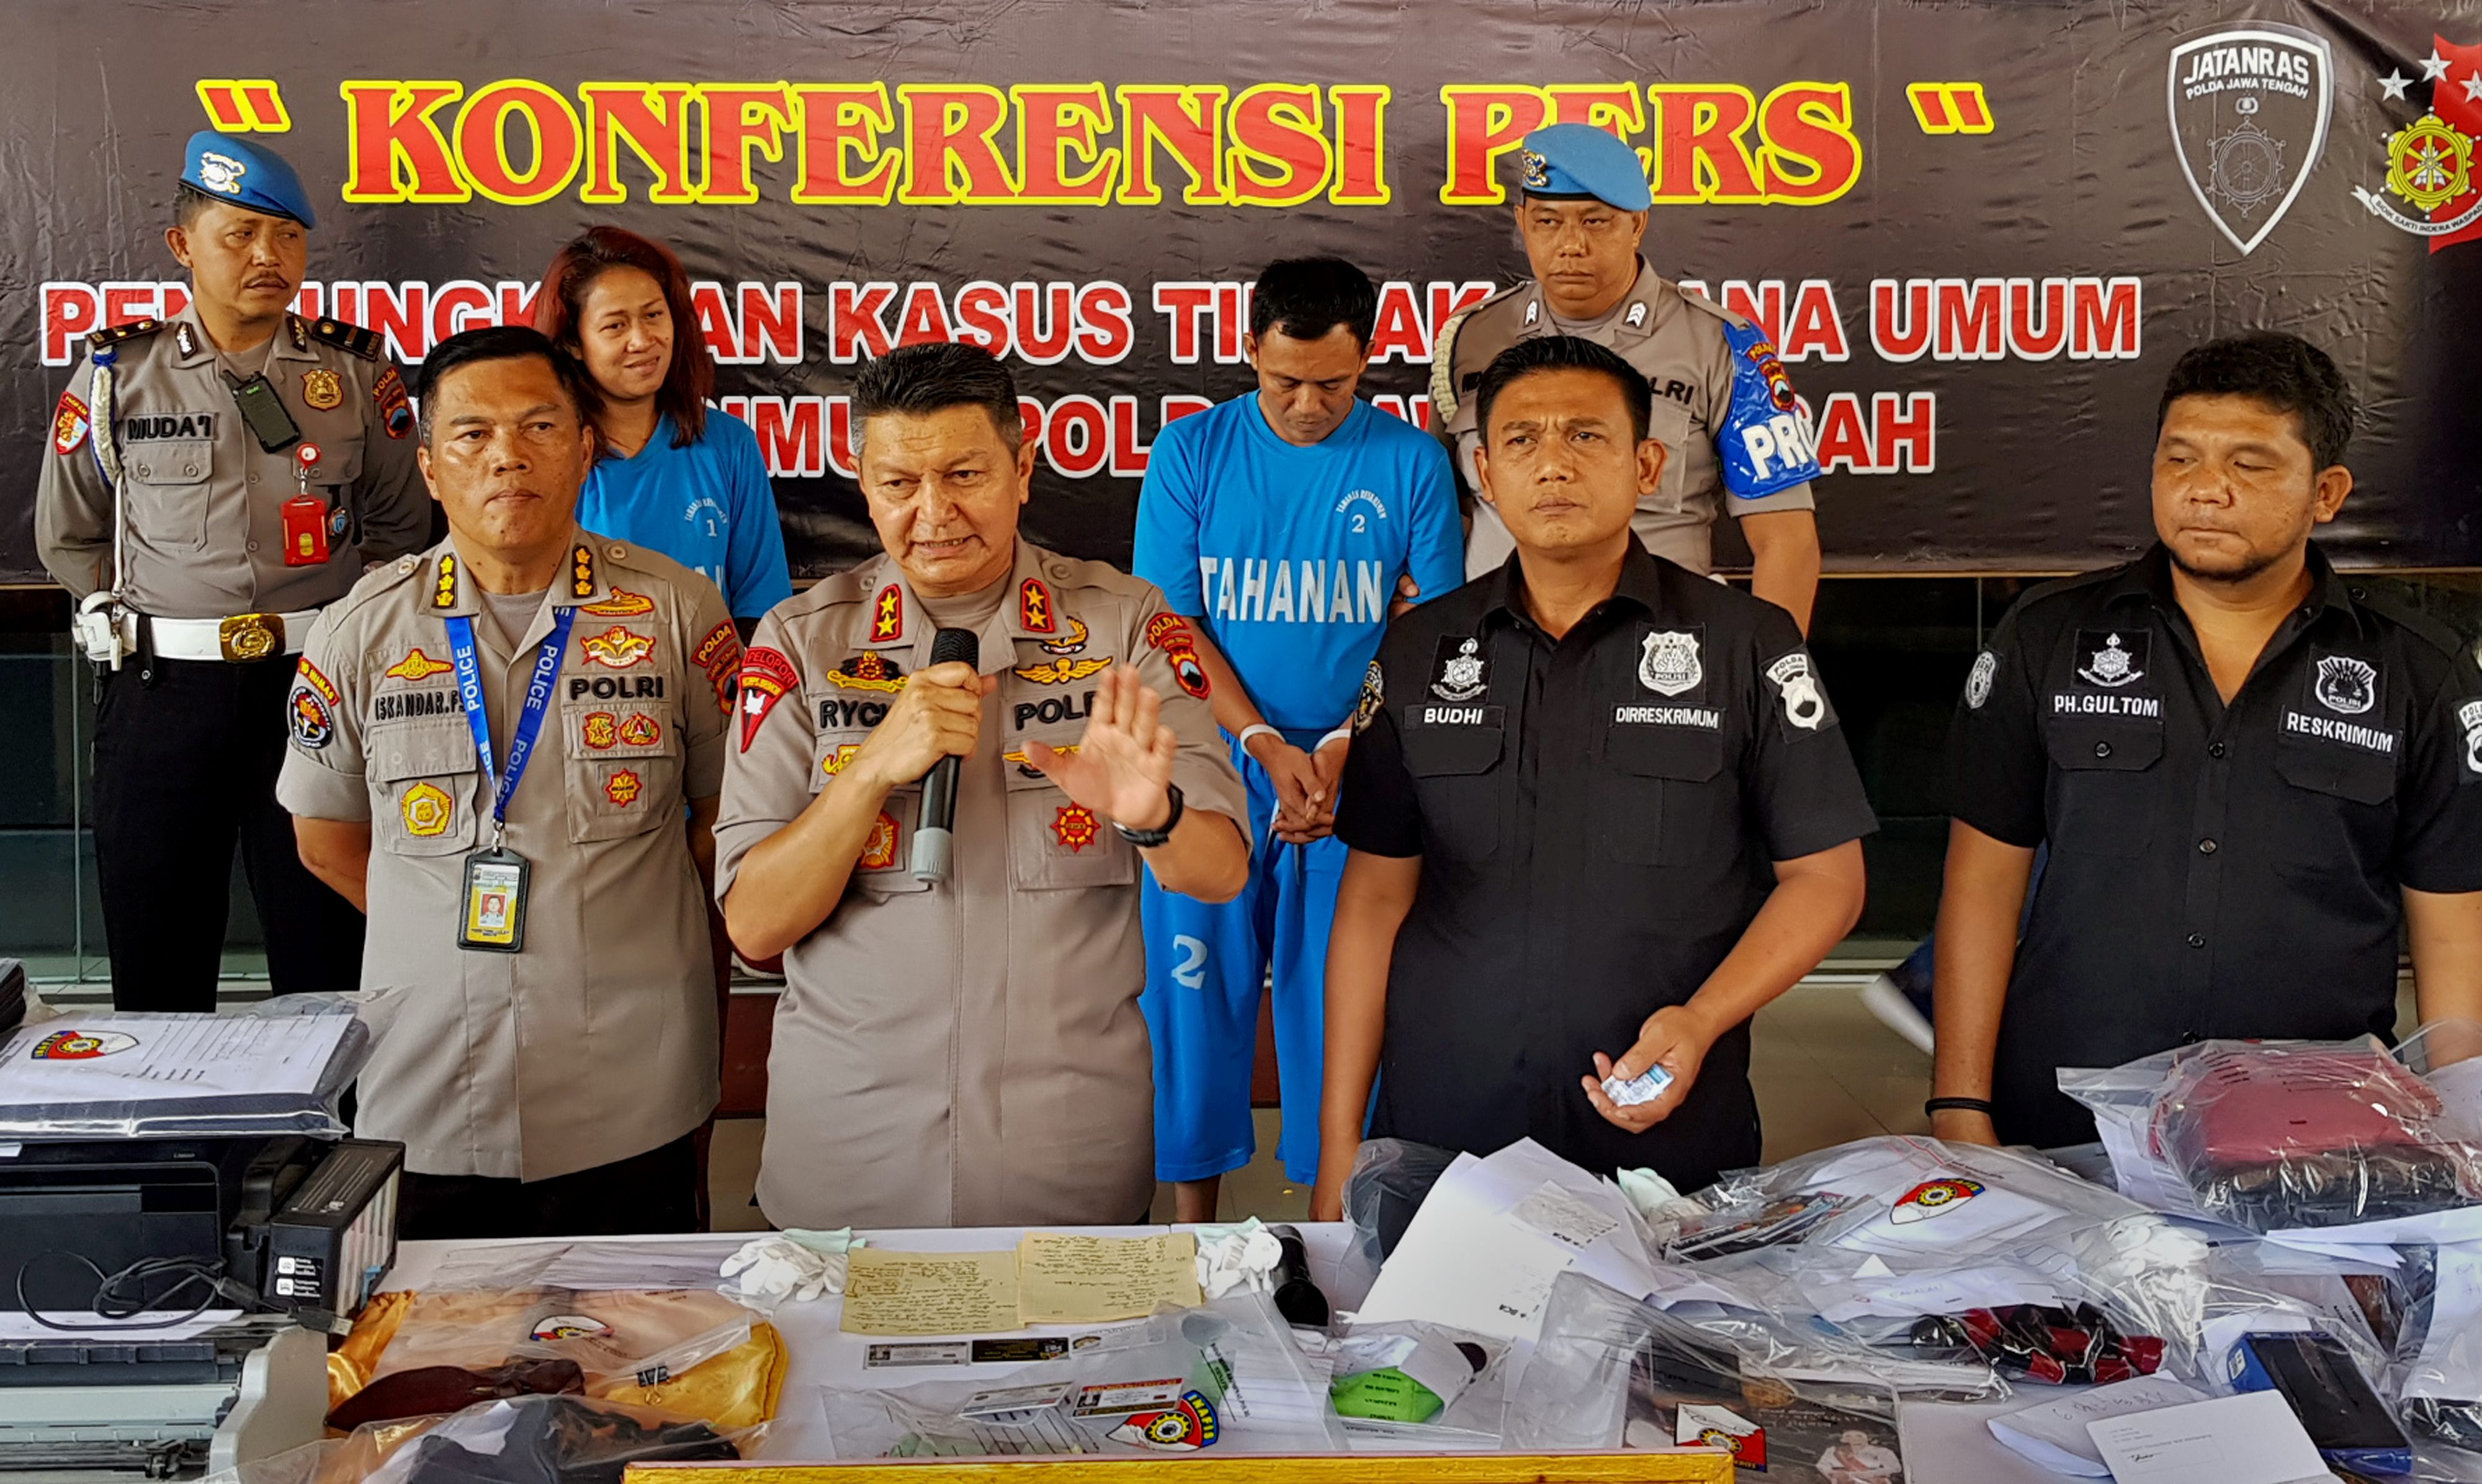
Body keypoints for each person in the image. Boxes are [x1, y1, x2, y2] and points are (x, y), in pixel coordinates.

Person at [1309, 336, 1874, 1217]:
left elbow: (1828, 881)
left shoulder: (1746, 645)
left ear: (1647, 464)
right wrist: (1339, 1146)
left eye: (1587, 436)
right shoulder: (1420, 651)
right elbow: (1374, 902)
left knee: (1669, 1357)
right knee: (1433, 1358)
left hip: (1665, 1134)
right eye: (1524, 441)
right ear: (1485, 474)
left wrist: (1703, 1019)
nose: (1556, 464)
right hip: (1450, 1133)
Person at [716, 342, 1251, 1229]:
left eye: (965, 473)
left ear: (1024, 467)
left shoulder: (1128, 627)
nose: (934, 513)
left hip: (1068, 1164)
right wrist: (873, 771)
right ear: (863, 482)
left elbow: (1222, 872)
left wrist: (1152, 815)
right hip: (849, 1170)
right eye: (898, 484)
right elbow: (755, 927)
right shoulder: (802, 641)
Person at [1931, 333, 2482, 1150]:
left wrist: (2458, 1139)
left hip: (2313, 1142)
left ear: (2325, 492)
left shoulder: (2416, 673)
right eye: (2180, 460)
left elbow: (2450, 937)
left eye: (2249, 465)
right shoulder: (2047, 638)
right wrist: (1960, 1105)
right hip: (2061, 1128)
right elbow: (1980, 890)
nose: (2205, 492)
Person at [278, 326, 740, 1239]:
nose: (507, 458)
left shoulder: (677, 608)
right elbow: (325, 841)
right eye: (474, 435)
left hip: (631, 1089)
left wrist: (596, 921)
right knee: (431, 1365)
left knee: (642, 1363)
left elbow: (722, 819)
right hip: (431, 1091)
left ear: (584, 448)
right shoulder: (359, 631)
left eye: (537, 427)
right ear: (431, 466)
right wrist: (449, 934)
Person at [35, 132, 428, 1011]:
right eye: (241, 234)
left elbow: (404, 529)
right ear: (183, 245)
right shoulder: (117, 374)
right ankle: (185, 1151)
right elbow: (69, 536)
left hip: (316, 690)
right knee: (159, 960)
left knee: (329, 956)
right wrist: (155, 611)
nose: (268, 257)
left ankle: (333, 1153)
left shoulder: (356, 371)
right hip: (161, 696)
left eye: (288, 237)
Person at [1130, 257, 1465, 1223]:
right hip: (1216, 765)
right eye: (1286, 382)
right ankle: (1191, 1225)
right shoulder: (1191, 454)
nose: (1310, 404)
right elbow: (1175, 626)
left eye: (1334, 382)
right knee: (1196, 997)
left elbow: (1427, 634)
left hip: (1355, 769)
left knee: (1337, 1005)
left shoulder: (1408, 464)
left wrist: (1344, 746)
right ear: (1249, 353)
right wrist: (1265, 738)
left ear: (1368, 361)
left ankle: (1327, 1225)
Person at [1433, 122, 1824, 632]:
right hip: (1499, 647)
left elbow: (1786, 541)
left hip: (1661, 653)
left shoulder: (1719, 345)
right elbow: (1448, 517)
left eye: (1595, 222)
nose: (1571, 245)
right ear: (1522, 222)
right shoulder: (1473, 338)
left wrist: (1769, 682)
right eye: (1549, 222)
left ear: (1637, 225)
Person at [535, 225, 792, 628]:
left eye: (654, 315)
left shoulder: (729, 444)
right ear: (573, 342)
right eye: (615, 326)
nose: (642, 340)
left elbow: (760, 605)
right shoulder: (547, 455)